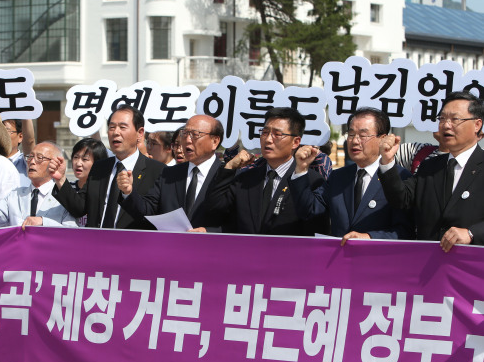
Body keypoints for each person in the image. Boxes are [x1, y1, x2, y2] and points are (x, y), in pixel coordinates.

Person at [378, 91, 484, 252]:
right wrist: (387, 162)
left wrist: (472, 233)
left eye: (455, 119)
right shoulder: (430, 167)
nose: (446, 125)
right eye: (442, 119)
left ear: (477, 125)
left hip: (472, 269)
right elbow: (401, 199)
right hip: (429, 266)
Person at [289, 107, 413, 244]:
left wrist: (368, 237)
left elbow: (405, 231)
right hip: (340, 260)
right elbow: (309, 211)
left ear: (382, 139)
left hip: (378, 260)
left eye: (363, 135)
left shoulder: (399, 177)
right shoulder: (338, 177)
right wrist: (301, 169)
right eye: (351, 134)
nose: (354, 141)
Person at [207, 107, 328, 235]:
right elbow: (215, 210)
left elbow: (316, 227)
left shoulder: (311, 181)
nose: (268, 139)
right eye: (265, 132)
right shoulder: (246, 179)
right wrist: (229, 167)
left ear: (295, 142)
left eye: (277, 134)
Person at [51, 104, 165, 229]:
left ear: (140, 133)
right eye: (111, 127)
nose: (115, 132)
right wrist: (61, 180)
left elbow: (152, 216)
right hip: (96, 244)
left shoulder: (158, 171)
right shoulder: (100, 167)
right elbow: (80, 208)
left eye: (122, 127)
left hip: (132, 246)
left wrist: (129, 194)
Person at [117, 115, 223, 231]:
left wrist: (209, 232)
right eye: (185, 133)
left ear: (215, 141)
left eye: (195, 134)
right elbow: (147, 212)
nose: (187, 140)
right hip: (170, 246)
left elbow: (237, 223)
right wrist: (128, 192)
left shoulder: (228, 176)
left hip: (210, 246)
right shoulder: (168, 174)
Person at [0, 142, 78, 229]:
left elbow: (72, 231)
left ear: (56, 163)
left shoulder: (65, 197)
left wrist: (44, 222)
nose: (32, 162)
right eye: (30, 157)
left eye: (39, 158)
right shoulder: (15, 195)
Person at [70, 138, 108, 227]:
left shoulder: (106, 191)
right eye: (75, 157)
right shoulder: (67, 189)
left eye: (85, 159)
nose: (78, 163)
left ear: (98, 162)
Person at [4, 118, 35, 187]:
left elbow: (29, 142)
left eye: (6, 131)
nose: (2, 136)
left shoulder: (26, 162)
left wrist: (25, 113)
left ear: (20, 137)